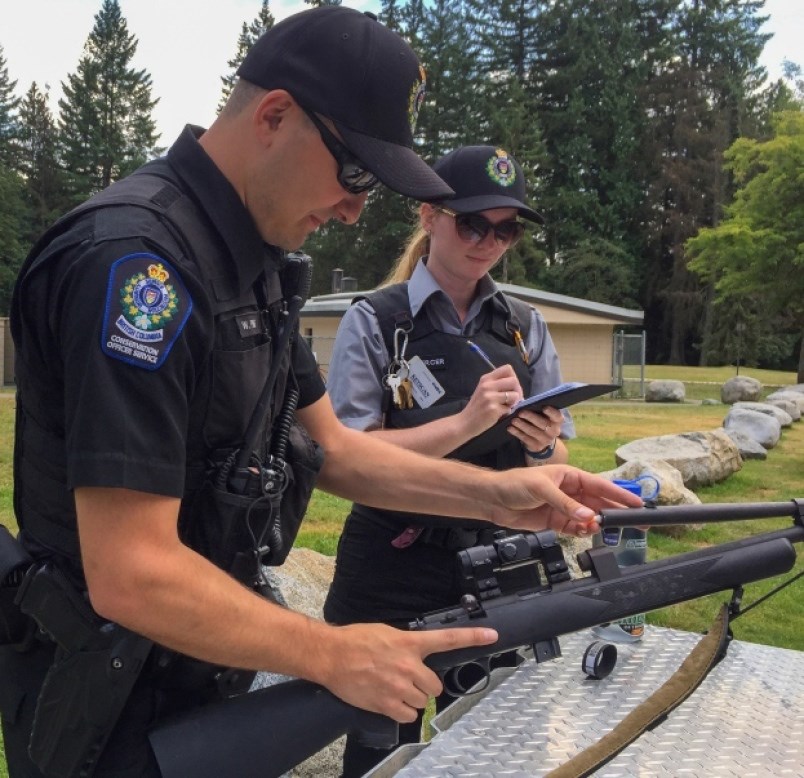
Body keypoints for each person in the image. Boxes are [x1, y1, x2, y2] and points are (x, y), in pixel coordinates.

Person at [0, 7, 640, 777]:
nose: (355, 208)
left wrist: (500, 495)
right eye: (356, 173)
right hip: (107, 705)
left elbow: (333, 448)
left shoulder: (252, 263)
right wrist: (334, 653)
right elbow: (131, 568)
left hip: (201, 671)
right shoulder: (139, 268)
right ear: (275, 116)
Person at [323, 144, 575, 776]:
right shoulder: (376, 321)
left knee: (502, 745)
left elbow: (560, 449)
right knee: (381, 746)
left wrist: (543, 443)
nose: (489, 241)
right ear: (429, 216)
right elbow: (349, 452)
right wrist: (466, 421)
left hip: (502, 558)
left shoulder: (525, 325)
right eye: (472, 223)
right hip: (393, 560)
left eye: (506, 228)